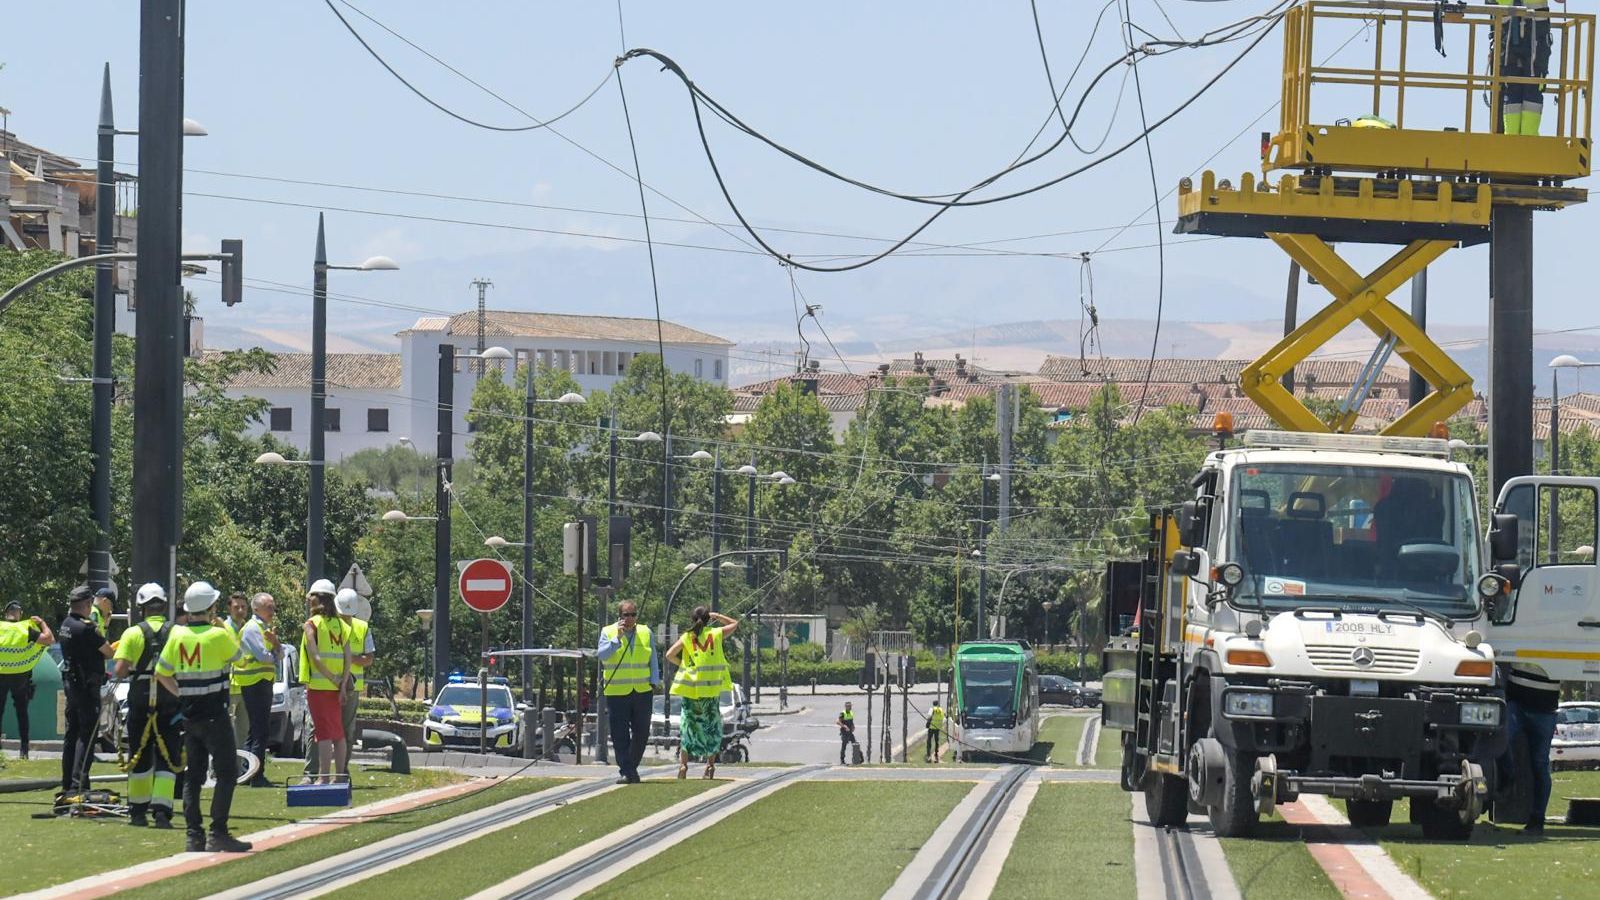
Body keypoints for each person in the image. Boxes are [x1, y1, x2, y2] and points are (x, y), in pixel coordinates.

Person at [156, 581, 250, 853]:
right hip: (215, 715)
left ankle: (193, 835)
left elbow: (162, 673)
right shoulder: (217, 636)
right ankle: (218, 832)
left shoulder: (177, 635)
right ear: (211, 608)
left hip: (189, 715)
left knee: (193, 777)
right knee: (227, 773)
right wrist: (222, 627)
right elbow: (240, 659)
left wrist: (182, 695)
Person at [117, 583, 180, 828]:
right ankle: (162, 811)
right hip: (169, 699)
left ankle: (138, 812)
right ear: (163, 606)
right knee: (168, 757)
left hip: (140, 699)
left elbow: (121, 670)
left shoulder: (132, 633)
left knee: (139, 755)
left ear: (141, 608)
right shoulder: (177, 632)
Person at [665, 606, 736, 779]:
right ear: (707, 619)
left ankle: (683, 766)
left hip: (691, 691)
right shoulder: (716, 634)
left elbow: (669, 655)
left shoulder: (688, 637)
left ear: (692, 619)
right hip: (710, 692)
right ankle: (710, 766)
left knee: (688, 726)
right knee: (711, 727)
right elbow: (735, 623)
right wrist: (717, 616)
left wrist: (683, 663)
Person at [58, 586, 114, 793]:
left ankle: (68, 783)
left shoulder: (65, 624)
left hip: (72, 685)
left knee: (71, 734)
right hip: (86, 687)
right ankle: (79, 783)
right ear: (89, 604)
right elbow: (108, 652)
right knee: (87, 735)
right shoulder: (87, 627)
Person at [597, 600, 659, 785]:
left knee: (642, 733)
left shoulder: (646, 632)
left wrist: (654, 681)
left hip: (642, 690)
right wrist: (617, 638)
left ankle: (630, 767)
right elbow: (602, 655)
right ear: (620, 616)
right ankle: (627, 771)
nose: (630, 618)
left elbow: (653, 658)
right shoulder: (608, 632)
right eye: (626, 615)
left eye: (633, 615)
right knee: (619, 734)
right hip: (617, 691)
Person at [300, 584, 351, 786]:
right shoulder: (342, 625)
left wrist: (333, 679)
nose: (307, 599)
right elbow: (349, 659)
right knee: (338, 733)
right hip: (337, 688)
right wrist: (343, 684)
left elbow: (315, 657)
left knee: (323, 733)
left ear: (318, 599)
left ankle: (323, 777)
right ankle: (339, 777)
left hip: (319, 687)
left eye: (310, 596)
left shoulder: (311, 624)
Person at [1503, 662, 1561, 834]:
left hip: (1544, 709)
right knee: (1502, 741)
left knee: (1540, 764)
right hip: (1519, 704)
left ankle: (1537, 819)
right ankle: (1506, 779)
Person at [232, 593, 281, 787]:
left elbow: (278, 653)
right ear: (257, 609)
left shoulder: (264, 628)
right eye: (269, 607)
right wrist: (276, 648)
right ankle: (256, 776)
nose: (272, 611)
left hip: (261, 681)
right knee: (261, 730)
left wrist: (276, 648)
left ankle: (247, 772)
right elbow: (264, 656)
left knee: (255, 729)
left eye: (273, 607)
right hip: (255, 682)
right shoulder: (253, 628)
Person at [1494, 0, 1563, 136]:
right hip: (1523, 28)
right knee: (1526, 85)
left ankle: (1516, 137)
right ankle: (1526, 136)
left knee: (1516, 86)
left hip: (1518, 28)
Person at [0, 599, 54, 759]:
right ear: (20, 613)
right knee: (22, 712)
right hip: (20, 675)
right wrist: (42, 623)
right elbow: (49, 639)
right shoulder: (26, 628)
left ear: (5, 613)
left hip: (1, 673)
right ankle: (24, 751)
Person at [334, 588, 374, 771]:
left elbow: (369, 658)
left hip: (352, 687)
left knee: (347, 731)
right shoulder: (328, 626)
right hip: (329, 684)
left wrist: (349, 659)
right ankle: (322, 770)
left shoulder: (362, 627)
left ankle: (343, 768)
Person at [222, 591, 249, 749]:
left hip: (246, 686)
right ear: (229, 608)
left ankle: (238, 772)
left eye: (243, 607)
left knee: (242, 734)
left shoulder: (249, 628)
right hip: (228, 688)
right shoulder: (223, 628)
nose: (240, 610)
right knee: (226, 733)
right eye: (236, 607)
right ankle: (219, 771)